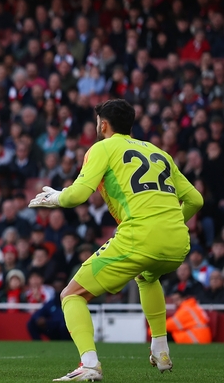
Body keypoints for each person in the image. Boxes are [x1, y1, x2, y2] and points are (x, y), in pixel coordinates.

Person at [29, 99, 203, 381]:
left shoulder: (103, 147)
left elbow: (77, 195)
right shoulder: (158, 152)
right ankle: (160, 348)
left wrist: (55, 198)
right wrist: (170, 223)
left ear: (103, 124)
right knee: (147, 277)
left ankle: (89, 365)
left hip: (139, 236)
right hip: (177, 241)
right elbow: (195, 199)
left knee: (71, 295)